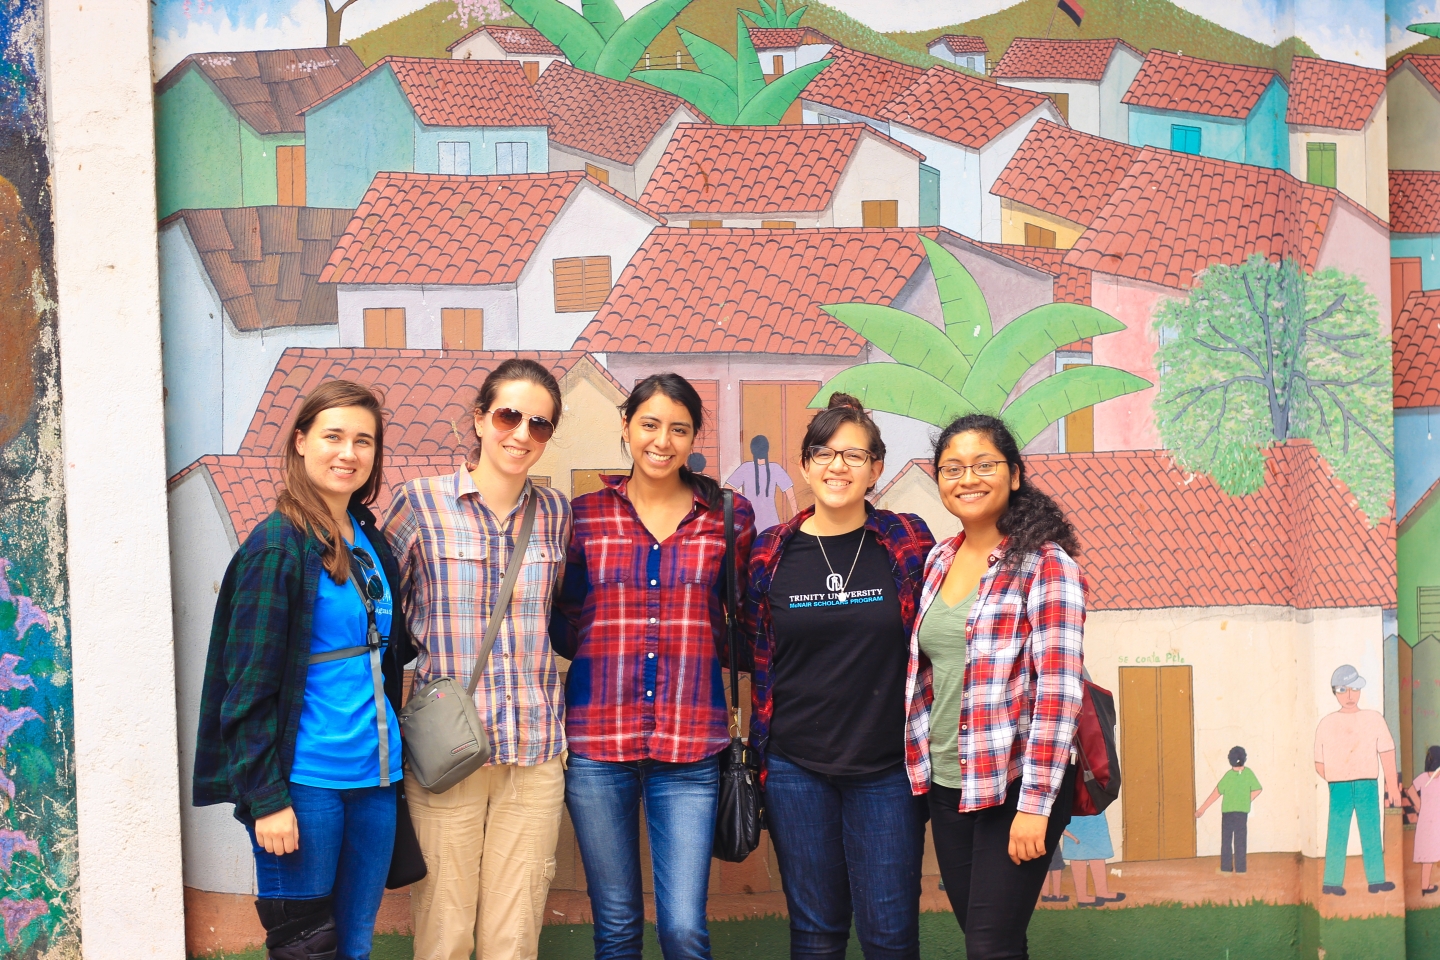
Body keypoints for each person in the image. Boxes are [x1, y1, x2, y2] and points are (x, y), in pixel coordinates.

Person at [193, 379, 413, 960]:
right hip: (306, 782)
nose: (349, 453)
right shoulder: (277, 547)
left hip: (377, 779)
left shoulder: (370, 540)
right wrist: (265, 799)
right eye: (333, 436)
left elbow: (388, 655)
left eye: (363, 441)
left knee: (356, 947)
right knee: (306, 952)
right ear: (300, 442)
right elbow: (245, 690)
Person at [552, 373, 756, 960]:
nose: (662, 440)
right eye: (649, 424)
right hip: (597, 745)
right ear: (625, 426)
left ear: (694, 437)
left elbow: (735, 620)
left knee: (684, 929)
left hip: (692, 748)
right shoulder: (585, 516)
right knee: (616, 927)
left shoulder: (727, 517)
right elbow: (565, 613)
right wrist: (602, 648)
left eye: (678, 428)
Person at [383, 359, 573, 960]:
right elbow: (381, 615)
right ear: (479, 417)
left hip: (534, 748)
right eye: (509, 415)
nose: (521, 433)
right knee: (444, 929)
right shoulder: (419, 505)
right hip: (447, 752)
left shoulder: (557, 515)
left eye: (539, 424)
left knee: (514, 936)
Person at [747, 393, 935, 959]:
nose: (838, 467)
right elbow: (751, 647)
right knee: (815, 932)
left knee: (890, 933)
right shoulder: (769, 553)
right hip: (794, 767)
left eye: (854, 456)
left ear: (877, 468)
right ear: (804, 465)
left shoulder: (907, 542)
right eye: (824, 453)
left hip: (887, 769)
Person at [911, 413, 1083, 959]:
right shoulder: (938, 560)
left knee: (989, 945)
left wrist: (1035, 803)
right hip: (948, 782)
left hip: (1014, 784)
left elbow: (1059, 690)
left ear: (1013, 474)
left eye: (984, 465)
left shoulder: (1046, 564)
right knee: (993, 941)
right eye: (953, 468)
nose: (968, 478)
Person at [1315, 664, 1399, 896]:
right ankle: (1331, 882)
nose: (1349, 696)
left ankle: (1376, 881)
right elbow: (1318, 763)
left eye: (1354, 689)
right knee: (1337, 832)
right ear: (1335, 692)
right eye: (1342, 690)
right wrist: (1336, 778)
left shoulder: (1373, 718)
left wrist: (1392, 785)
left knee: (1371, 831)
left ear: (1360, 689)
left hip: (1367, 785)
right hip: (1339, 786)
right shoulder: (1326, 723)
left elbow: (1388, 751)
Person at [1195, 745, 1262, 874]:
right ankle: (1240, 868)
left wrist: (1202, 809)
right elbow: (1258, 789)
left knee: (1227, 840)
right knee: (1240, 841)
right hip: (1241, 813)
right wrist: (1246, 800)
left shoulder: (1229, 775)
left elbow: (1216, 792)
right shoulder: (1248, 773)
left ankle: (1226, 868)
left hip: (1228, 812)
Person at [725, 434, 797, 531]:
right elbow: (789, 490)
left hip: (750, 521)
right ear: (767, 449)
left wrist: (743, 500)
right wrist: (795, 511)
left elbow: (727, 488)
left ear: (752, 450)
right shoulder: (775, 468)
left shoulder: (745, 468)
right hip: (771, 521)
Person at [1062, 815, 1122, 907]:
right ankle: (1082, 897)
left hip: (1095, 811)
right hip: (1075, 813)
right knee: (1077, 850)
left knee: (1098, 848)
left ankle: (1102, 892)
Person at [1409, 746, 1440, 895]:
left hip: (1430, 819)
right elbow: (1410, 790)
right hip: (1430, 821)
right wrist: (1420, 806)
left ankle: (1425, 886)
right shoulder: (1424, 778)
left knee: (1430, 854)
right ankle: (1425, 886)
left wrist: (1420, 807)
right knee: (1429, 854)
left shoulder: (1423, 777)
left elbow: (1410, 791)